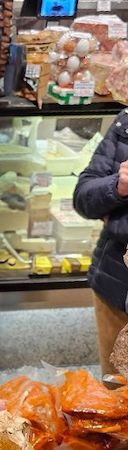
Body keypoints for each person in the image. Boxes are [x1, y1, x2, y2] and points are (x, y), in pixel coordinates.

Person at [73, 113, 128, 378]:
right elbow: (83, 197)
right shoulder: (125, 123)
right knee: (114, 397)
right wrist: (118, 186)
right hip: (116, 285)